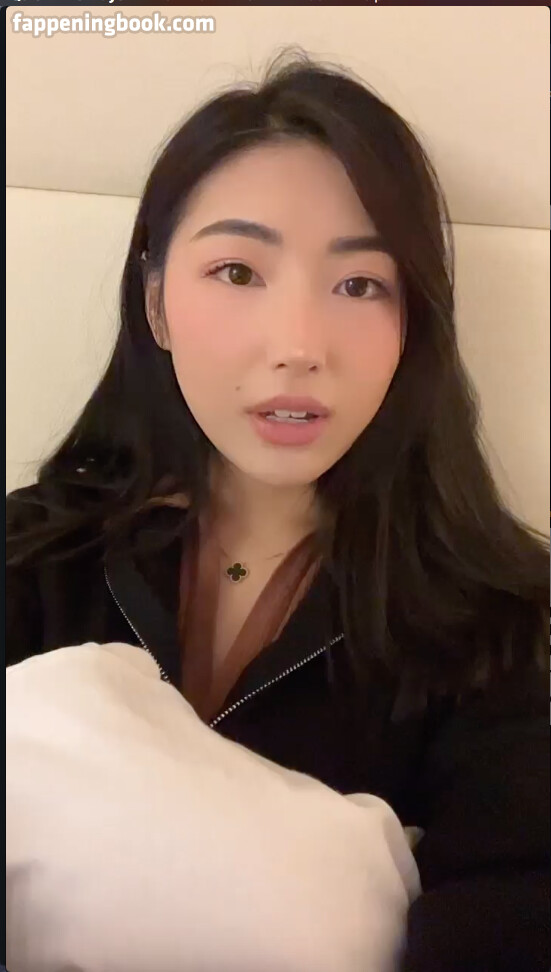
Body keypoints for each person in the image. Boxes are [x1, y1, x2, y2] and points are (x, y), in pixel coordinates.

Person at [6, 48, 549, 971]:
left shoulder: (495, 626)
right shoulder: (33, 554)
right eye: (236, 272)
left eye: (359, 285)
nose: (298, 346)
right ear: (156, 304)